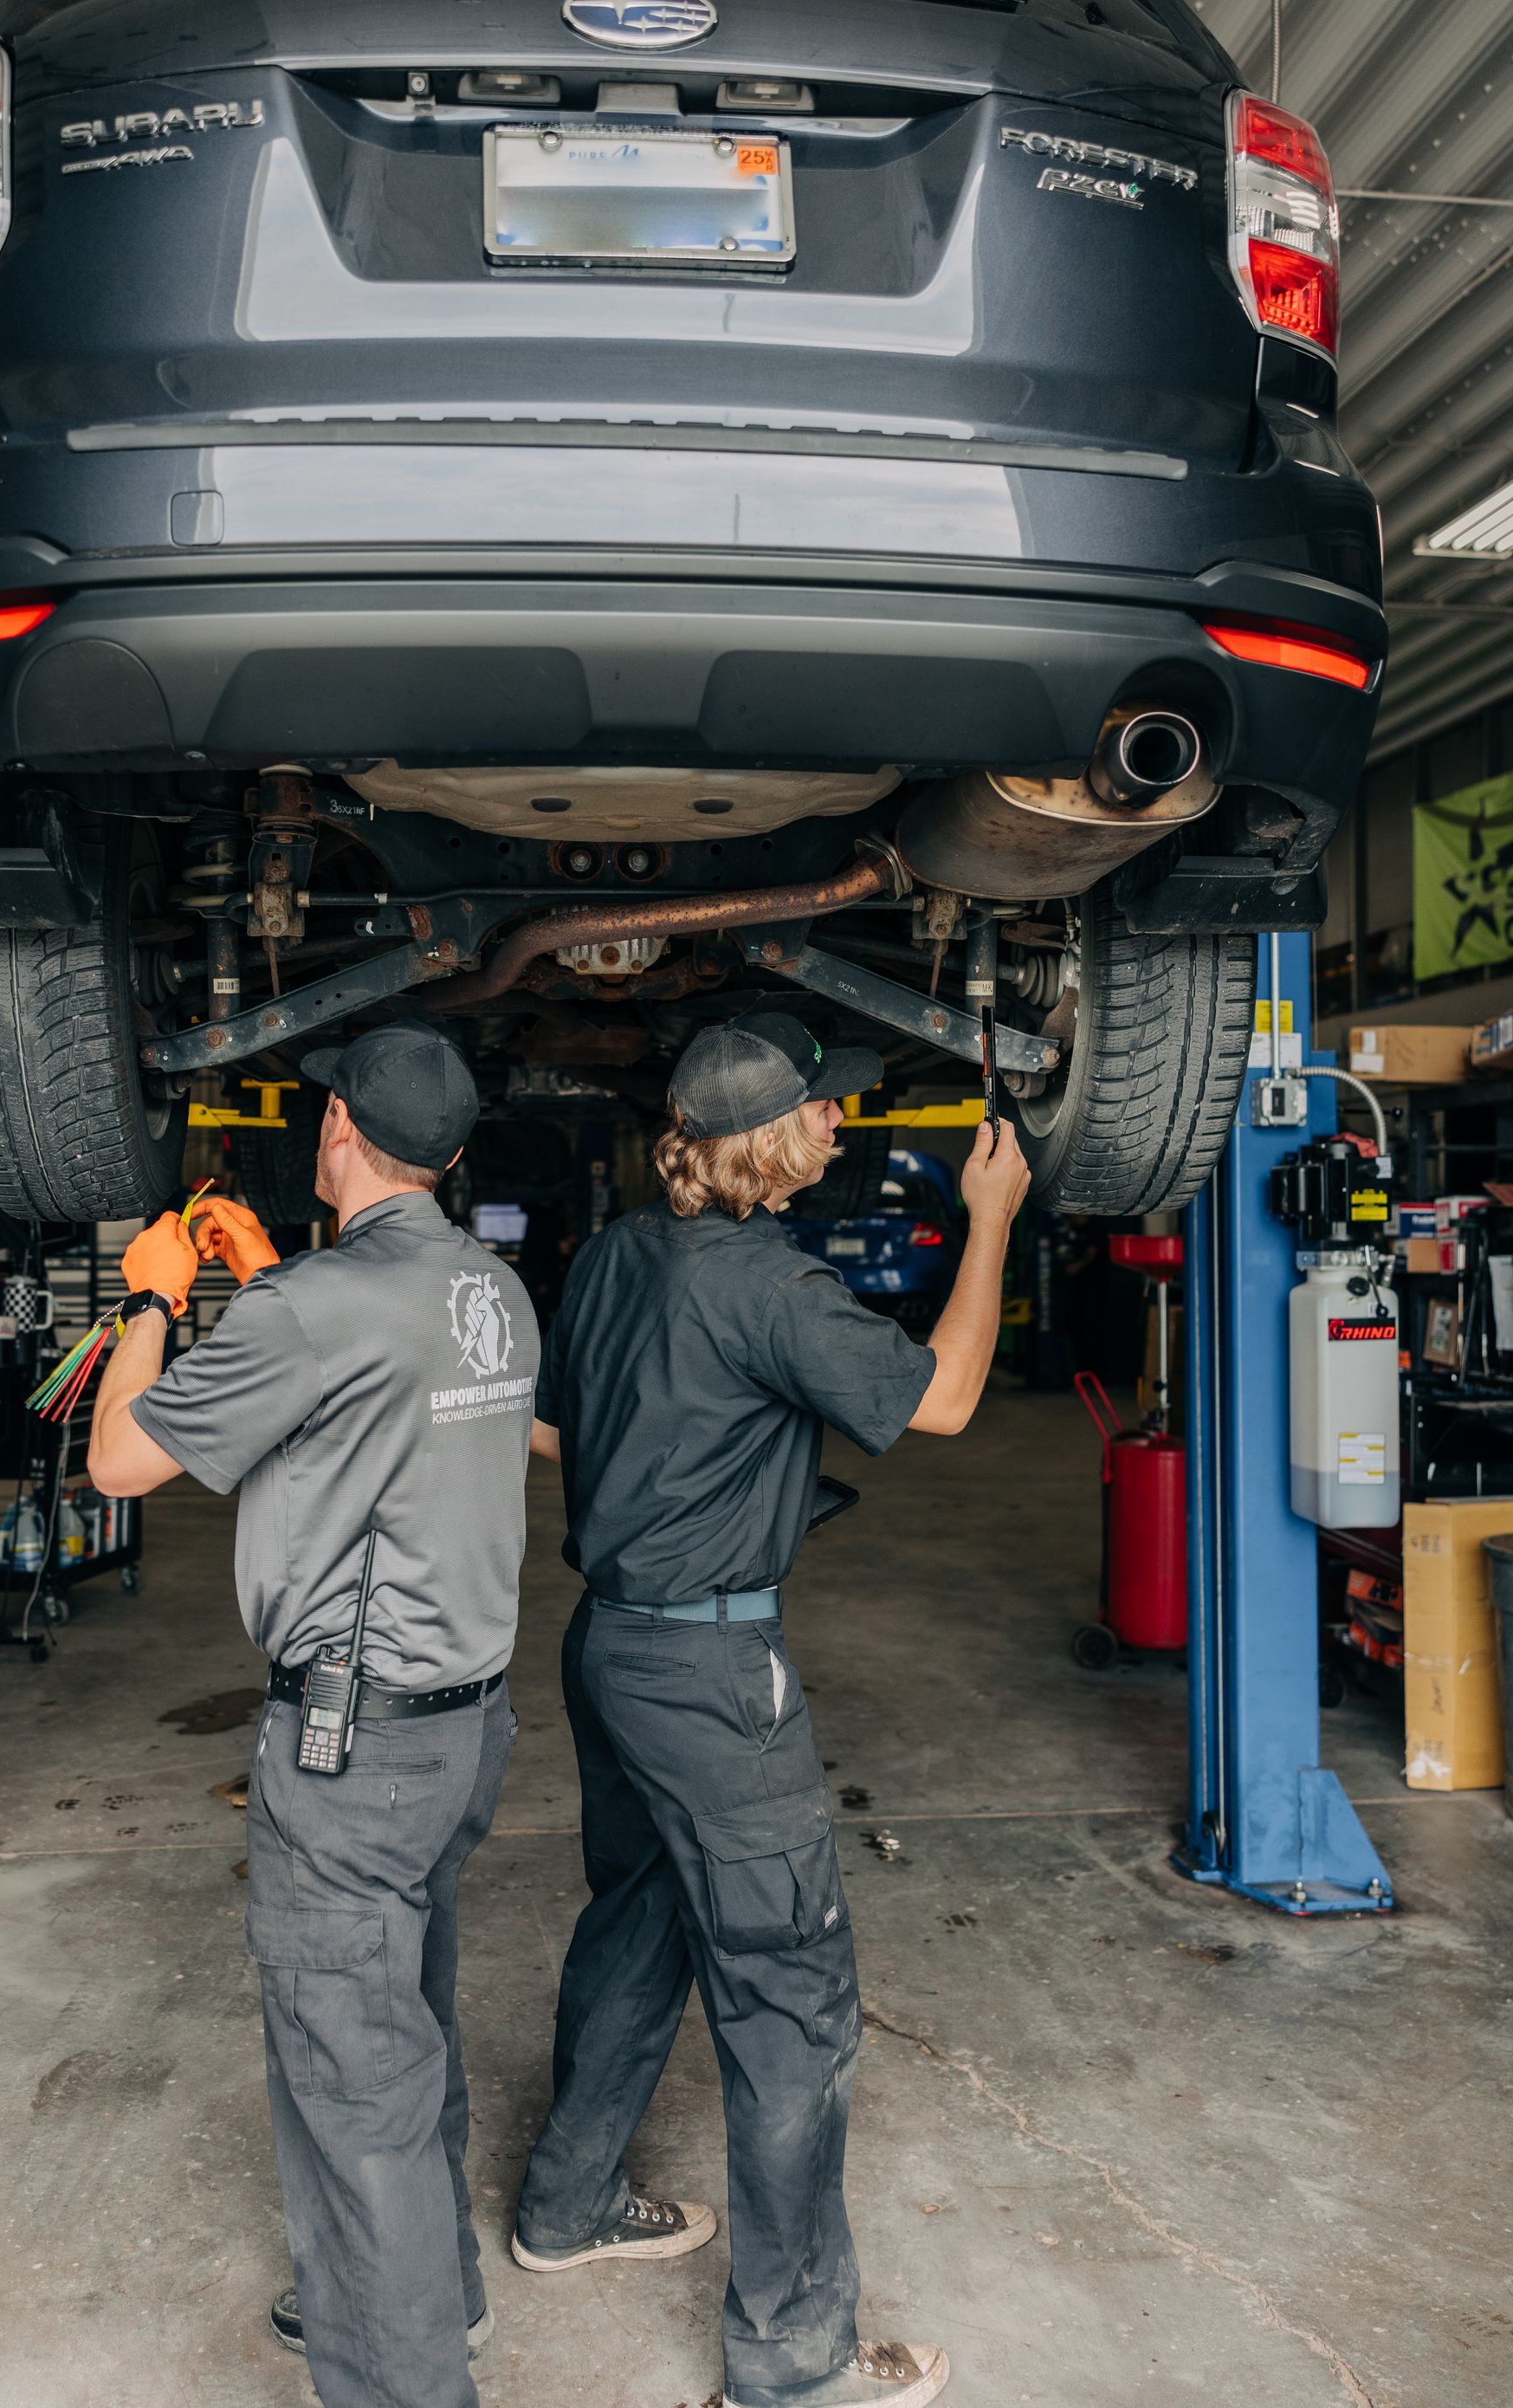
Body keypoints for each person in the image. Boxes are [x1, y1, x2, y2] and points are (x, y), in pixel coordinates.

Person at [514, 1011, 1031, 2408]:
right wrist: (991, 1220)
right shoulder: (775, 1291)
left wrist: (681, 1476)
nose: (841, 1125)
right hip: (712, 1680)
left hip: (608, 1644)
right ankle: (796, 2358)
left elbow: (552, 1424)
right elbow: (951, 1399)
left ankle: (563, 2207)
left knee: (638, 1920)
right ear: (770, 1142)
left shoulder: (619, 1252)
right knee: (791, 1997)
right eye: (824, 1111)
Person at [87, 1021, 540, 2408]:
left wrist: (158, 1298)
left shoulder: (310, 1313)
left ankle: (404, 2381)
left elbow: (118, 1460)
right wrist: (269, 1278)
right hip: (462, 1733)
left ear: (334, 1127)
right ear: (454, 1157)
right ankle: (430, 2296)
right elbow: (370, 1373)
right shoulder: (494, 1292)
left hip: (354, 1750)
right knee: (407, 2026)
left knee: (353, 2084)